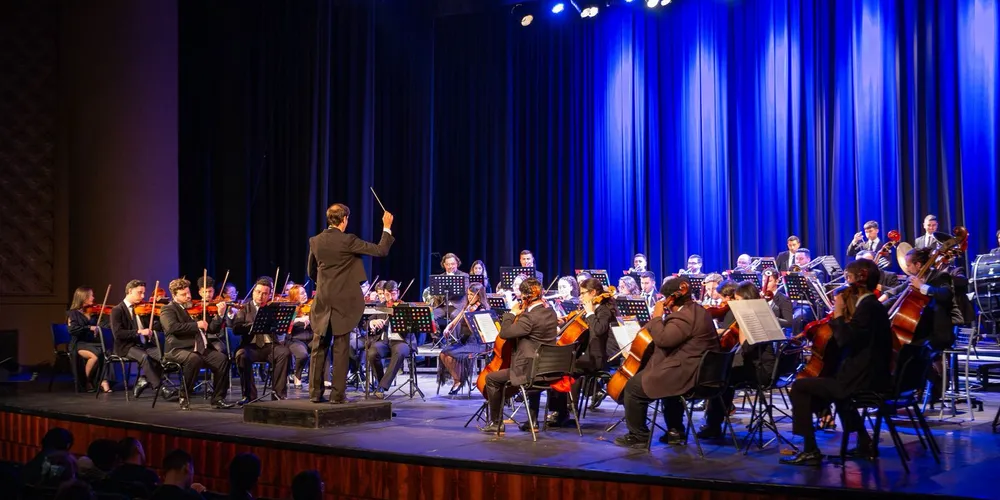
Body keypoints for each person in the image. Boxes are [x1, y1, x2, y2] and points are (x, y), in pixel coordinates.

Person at [781, 259, 892, 466]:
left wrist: (839, 313)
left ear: (861, 279)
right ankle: (864, 442)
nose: (846, 284)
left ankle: (810, 450)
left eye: (848, 278)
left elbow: (846, 339)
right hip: (871, 376)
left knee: (800, 387)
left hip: (864, 381)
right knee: (828, 387)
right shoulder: (873, 306)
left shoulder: (867, 307)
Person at [615, 277, 719, 448]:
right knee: (666, 381)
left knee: (633, 386)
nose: (663, 301)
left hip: (690, 375)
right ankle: (675, 431)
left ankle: (638, 436)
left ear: (673, 297)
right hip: (703, 372)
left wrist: (657, 316)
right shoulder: (698, 310)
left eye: (664, 297)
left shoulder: (683, 317)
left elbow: (664, 340)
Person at [308, 203, 394, 404]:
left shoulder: (315, 240)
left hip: (322, 300)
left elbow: (311, 271)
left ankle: (315, 393)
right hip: (343, 302)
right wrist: (387, 226)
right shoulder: (348, 240)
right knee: (341, 347)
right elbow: (380, 250)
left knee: (319, 346)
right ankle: (337, 395)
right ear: (344, 219)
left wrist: (325, 285)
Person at [698, 282, 775, 439]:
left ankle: (714, 425)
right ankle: (715, 421)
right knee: (727, 374)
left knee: (722, 378)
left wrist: (741, 322)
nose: (735, 304)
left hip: (761, 371)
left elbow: (747, 348)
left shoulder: (753, 317)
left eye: (738, 300)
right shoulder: (761, 312)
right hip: (764, 366)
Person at [482, 278, 558, 434]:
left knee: (491, 379)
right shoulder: (550, 312)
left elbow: (505, 333)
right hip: (548, 370)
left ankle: (496, 423)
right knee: (533, 369)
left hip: (528, 372)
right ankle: (533, 421)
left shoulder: (528, 318)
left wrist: (511, 313)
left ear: (525, 297)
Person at [546, 278, 620, 424]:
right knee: (557, 366)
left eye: (583, 293)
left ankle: (564, 410)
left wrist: (590, 313)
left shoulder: (604, 310)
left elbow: (598, 330)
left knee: (564, 367)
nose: (581, 297)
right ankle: (561, 410)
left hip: (599, 357)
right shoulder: (592, 308)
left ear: (593, 293)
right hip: (588, 352)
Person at [159, 278, 234, 410]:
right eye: (183, 294)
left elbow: (211, 328)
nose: (188, 296)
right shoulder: (168, 309)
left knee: (221, 359)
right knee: (194, 359)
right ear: (174, 295)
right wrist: (196, 325)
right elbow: (172, 327)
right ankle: (184, 395)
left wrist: (219, 316)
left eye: (188, 293)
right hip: (178, 349)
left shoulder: (198, 307)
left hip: (200, 347)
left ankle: (218, 398)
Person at [110, 280, 175, 401]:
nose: (143, 296)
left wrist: (160, 319)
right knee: (144, 357)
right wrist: (139, 332)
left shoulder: (142, 308)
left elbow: (152, 328)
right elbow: (118, 334)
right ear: (130, 291)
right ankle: (160, 389)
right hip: (126, 347)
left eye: (143, 293)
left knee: (164, 355)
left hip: (143, 345)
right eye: (139, 293)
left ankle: (144, 379)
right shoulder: (117, 310)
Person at [231, 277, 292, 404]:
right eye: (258, 292)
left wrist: (279, 324)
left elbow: (280, 330)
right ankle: (249, 395)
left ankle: (278, 394)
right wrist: (252, 326)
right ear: (253, 292)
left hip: (270, 345)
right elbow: (236, 328)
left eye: (265, 293)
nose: (260, 296)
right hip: (251, 346)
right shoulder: (244, 308)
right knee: (241, 356)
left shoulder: (273, 309)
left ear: (269, 295)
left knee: (284, 352)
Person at [438, 283, 491, 395]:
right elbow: (455, 320)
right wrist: (449, 327)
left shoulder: (482, 310)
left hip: (477, 343)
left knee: (450, 354)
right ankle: (459, 379)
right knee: (443, 354)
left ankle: (458, 381)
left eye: (472, 295)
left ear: (479, 296)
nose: (469, 297)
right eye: (468, 294)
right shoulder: (467, 307)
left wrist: (468, 317)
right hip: (465, 340)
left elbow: (476, 332)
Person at [365, 282, 412, 397]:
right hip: (384, 341)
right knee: (372, 352)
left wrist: (405, 323)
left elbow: (413, 329)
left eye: (393, 294)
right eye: (387, 295)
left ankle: (381, 387)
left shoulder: (405, 306)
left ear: (398, 293)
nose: (390, 298)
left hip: (401, 340)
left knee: (399, 351)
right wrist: (372, 322)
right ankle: (382, 381)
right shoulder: (380, 307)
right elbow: (365, 323)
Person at [66, 287, 111, 393]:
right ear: (83, 298)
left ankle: (103, 380)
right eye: (91, 295)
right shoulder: (73, 314)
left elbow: (102, 324)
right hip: (78, 343)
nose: (93, 297)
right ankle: (86, 382)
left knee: (107, 350)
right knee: (95, 355)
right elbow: (72, 330)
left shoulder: (93, 312)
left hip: (91, 342)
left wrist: (107, 325)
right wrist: (89, 328)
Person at [286, 284, 312, 387]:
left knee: (324, 346)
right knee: (302, 355)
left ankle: (321, 379)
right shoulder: (290, 308)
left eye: (305, 292)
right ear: (295, 296)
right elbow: (285, 322)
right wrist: (300, 319)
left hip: (310, 337)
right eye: (301, 293)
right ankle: (298, 375)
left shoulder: (310, 306)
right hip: (295, 339)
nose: (305, 295)